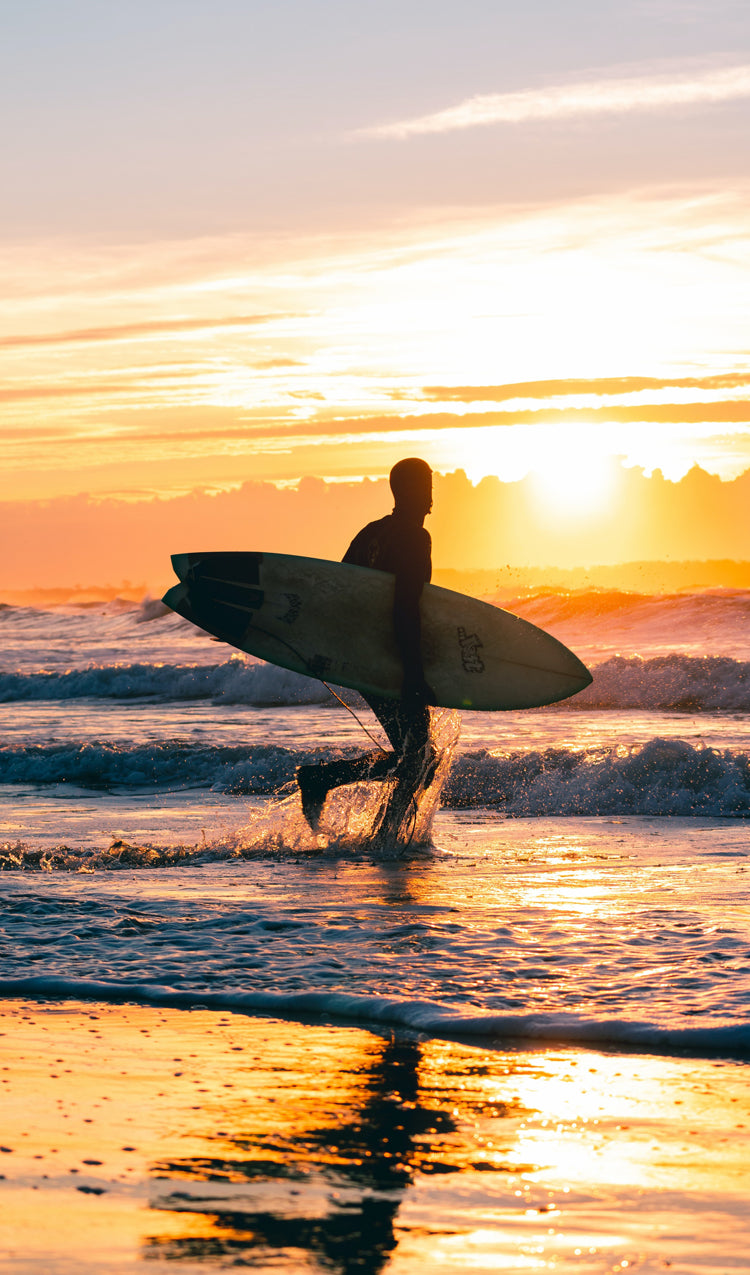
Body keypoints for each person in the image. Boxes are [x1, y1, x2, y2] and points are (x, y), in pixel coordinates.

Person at [296, 457, 437, 830]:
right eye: (425, 486)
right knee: (420, 758)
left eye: (430, 486)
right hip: (389, 661)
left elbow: (337, 591)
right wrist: (414, 674)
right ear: (406, 492)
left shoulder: (371, 533)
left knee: (417, 757)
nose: (430, 496)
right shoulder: (413, 537)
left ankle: (330, 786)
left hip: (360, 658)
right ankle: (383, 835)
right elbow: (406, 609)